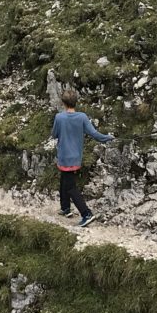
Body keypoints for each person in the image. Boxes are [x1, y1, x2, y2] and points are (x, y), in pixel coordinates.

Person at [52, 89, 114, 228]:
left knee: (70, 187)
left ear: (63, 103)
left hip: (64, 157)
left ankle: (86, 214)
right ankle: (65, 208)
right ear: (75, 102)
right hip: (76, 157)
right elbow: (95, 134)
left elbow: (54, 134)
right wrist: (108, 138)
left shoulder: (59, 117)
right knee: (64, 180)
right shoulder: (82, 117)